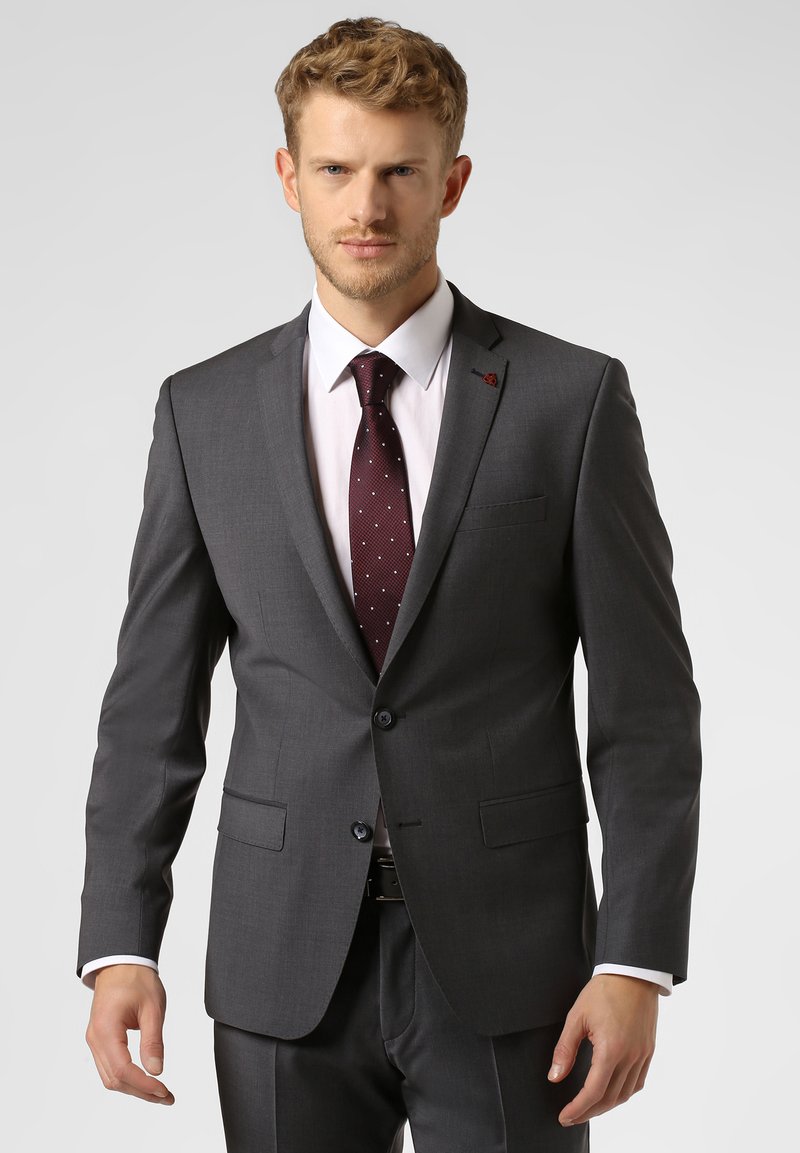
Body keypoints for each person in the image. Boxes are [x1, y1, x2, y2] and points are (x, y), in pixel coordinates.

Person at [78, 16, 702, 1153]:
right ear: (288, 178)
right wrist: (121, 940)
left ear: (451, 182)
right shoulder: (203, 413)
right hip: (278, 960)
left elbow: (646, 711)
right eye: (335, 170)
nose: (366, 206)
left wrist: (634, 960)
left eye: (400, 173)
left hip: (515, 964)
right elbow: (149, 706)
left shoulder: (569, 402)